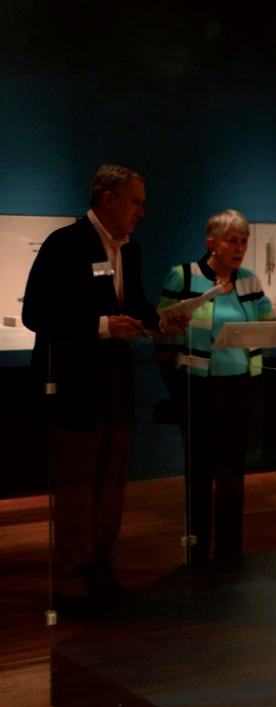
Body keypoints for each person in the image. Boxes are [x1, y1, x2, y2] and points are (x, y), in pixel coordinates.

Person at [22, 164, 188, 609]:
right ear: (108, 199)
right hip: (73, 387)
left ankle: (100, 572)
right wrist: (101, 326)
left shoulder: (127, 251)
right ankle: (73, 583)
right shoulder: (65, 244)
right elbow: (36, 314)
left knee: (112, 484)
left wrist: (161, 319)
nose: (143, 212)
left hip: (116, 383)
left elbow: (132, 304)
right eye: (136, 201)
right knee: (76, 486)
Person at [158, 209, 274, 563]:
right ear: (212, 243)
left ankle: (228, 555)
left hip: (239, 386)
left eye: (244, 241)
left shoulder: (250, 281)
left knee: (232, 473)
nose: (239, 247)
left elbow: (266, 323)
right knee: (200, 472)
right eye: (232, 241)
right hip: (198, 387)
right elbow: (161, 328)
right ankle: (195, 555)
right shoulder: (185, 276)